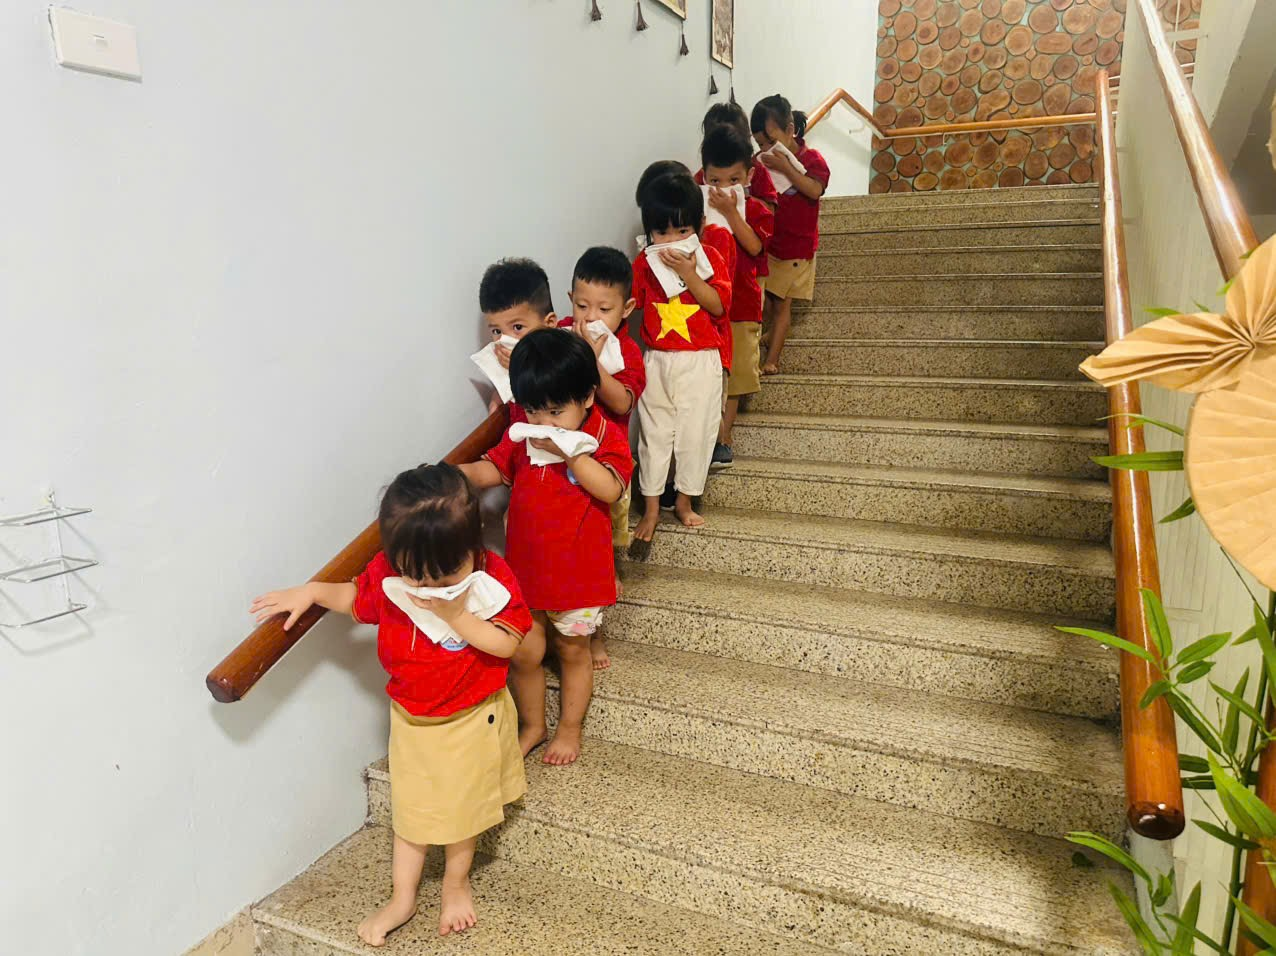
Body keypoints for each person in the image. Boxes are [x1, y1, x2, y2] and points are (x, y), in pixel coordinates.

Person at [249, 464, 531, 943]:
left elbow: (506, 645)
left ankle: (455, 884)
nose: (427, 590)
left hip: (470, 716)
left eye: (444, 577)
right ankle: (403, 897)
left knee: (461, 812)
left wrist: (457, 615)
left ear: (474, 547)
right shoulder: (391, 573)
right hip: (412, 719)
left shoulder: (490, 580)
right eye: (414, 577)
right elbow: (358, 598)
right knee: (412, 810)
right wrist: (313, 591)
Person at [459, 329, 633, 766]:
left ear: (587, 397)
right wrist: (454, 475)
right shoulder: (526, 434)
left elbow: (611, 489)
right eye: (534, 410)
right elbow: (494, 470)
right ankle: (532, 725)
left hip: (577, 579)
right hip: (525, 574)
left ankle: (569, 728)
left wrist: (573, 454)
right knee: (525, 653)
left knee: (573, 652)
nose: (543, 422)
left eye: (556, 411)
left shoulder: (603, 435)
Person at [631, 172, 732, 544]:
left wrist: (689, 273)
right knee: (653, 434)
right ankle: (652, 508)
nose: (672, 241)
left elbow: (718, 306)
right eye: (662, 233)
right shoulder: (644, 264)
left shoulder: (710, 259)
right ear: (648, 233)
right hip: (657, 359)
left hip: (700, 361)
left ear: (700, 227)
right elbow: (630, 303)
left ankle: (685, 501)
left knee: (695, 433)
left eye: (683, 231)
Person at [558, 246, 646, 670]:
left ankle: (595, 636)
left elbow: (623, 401)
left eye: (604, 309)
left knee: (599, 552)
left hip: (607, 466)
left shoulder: (626, 350)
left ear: (626, 308)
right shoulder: (562, 333)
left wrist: (592, 363)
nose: (590, 317)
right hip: (562, 465)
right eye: (581, 305)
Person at [700, 125, 775, 469]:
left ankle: (723, 437)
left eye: (734, 179)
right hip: (707, 305)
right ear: (703, 176)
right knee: (711, 374)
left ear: (749, 176)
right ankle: (706, 436)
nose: (723, 188)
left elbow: (755, 246)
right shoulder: (699, 207)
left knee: (736, 375)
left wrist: (731, 212)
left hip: (742, 306)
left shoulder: (756, 209)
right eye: (715, 180)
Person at [751, 94, 830, 375]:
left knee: (782, 304)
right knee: (769, 300)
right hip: (772, 244)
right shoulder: (762, 162)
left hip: (797, 247)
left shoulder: (812, 159)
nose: (766, 149)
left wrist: (786, 168)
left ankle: (771, 360)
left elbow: (814, 190)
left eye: (771, 142)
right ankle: (771, 334)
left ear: (790, 129)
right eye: (760, 144)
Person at [478, 257, 558, 417]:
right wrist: (497, 396)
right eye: (497, 331)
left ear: (549, 323)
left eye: (518, 327)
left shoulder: (566, 354)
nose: (505, 340)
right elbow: (505, 386)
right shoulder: (501, 356)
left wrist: (522, 368)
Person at [694, 101, 779, 208]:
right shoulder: (703, 175)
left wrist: (744, 197)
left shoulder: (757, 171)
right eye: (715, 180)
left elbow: (771, 209)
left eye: (734, 179)